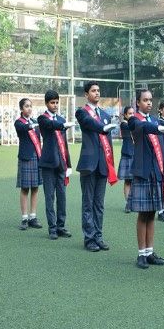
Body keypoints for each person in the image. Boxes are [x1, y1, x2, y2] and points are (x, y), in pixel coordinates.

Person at [127, 89, 164, 269]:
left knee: (152, 213)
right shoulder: (134, 119)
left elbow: (162, 150)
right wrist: (158, 127)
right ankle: (141, 254)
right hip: (142, 172)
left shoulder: (155, 120)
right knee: (142, 214)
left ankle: (150, 252)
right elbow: (143, 128)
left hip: (156, 172)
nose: (148, 103)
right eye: (145, 100)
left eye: (150, 100)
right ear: (137, 102)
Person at [75, 81, 118, 252]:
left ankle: (98, 236)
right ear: (86, 94)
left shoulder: (105, 114)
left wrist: (110, 164)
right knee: (88, 202)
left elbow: (108, 143)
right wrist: (103, 127)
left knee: (99, 203)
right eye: (93, 91)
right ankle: (89, 238)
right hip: (88, 164)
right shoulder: (82, 113)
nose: (97, 93)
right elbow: (89, 124)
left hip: (102, 165)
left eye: (98, 90)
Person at [38, 90, 75, 240]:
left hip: (61, 164)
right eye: (52, 102)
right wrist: (63, 125)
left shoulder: (61, 119)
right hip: (48, 164)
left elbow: (64, 144)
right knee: (49, 197)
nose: (55, 105)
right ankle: (52, 228)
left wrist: (69, 164)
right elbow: (51, 125)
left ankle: (61, 226)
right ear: (47, 103)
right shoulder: (43, 118)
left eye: (57, 102)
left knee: (62, 197)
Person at [14, 98, 43, 230]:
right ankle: (24, 218)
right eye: (26, 106)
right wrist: (32, 125)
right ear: (21, 109)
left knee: (35, 187)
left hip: (36, 157)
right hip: (25, 158)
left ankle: (33, 216)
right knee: (25, 188)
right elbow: (23, 129)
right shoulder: (19, 122)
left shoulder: (35, 122)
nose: (29, 108)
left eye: (30, 106)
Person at [117, 105, 135, 213]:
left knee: (135, 181)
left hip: (137, 154)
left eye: (133, 113)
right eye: (129, 113)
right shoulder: (124, 124)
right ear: (125, 115)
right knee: (128, 181)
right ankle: (128, 204)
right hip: (128, 154)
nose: (132, 115)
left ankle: (134, 203)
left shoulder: (135, 123)